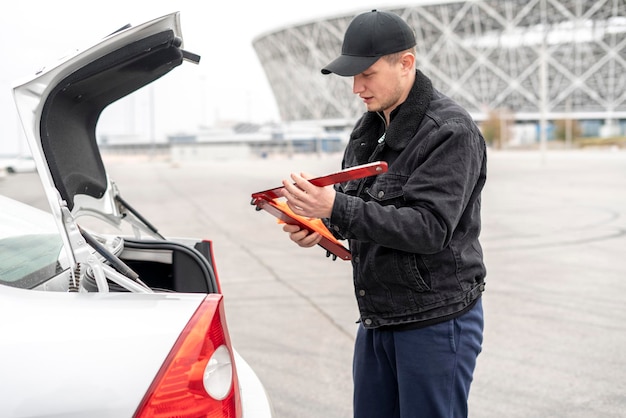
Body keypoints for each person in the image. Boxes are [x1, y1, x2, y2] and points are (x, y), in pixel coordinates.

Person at [279, 9, 487, 418]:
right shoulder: (368, 130)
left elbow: (429, 228)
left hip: (436, 320)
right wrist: (319, 224)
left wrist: (336, 206)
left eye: (367, 74)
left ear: (405, 63)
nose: (357, 87)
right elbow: (357, 208)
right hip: (378, 316)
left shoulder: (449, 131)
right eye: (352, 76)